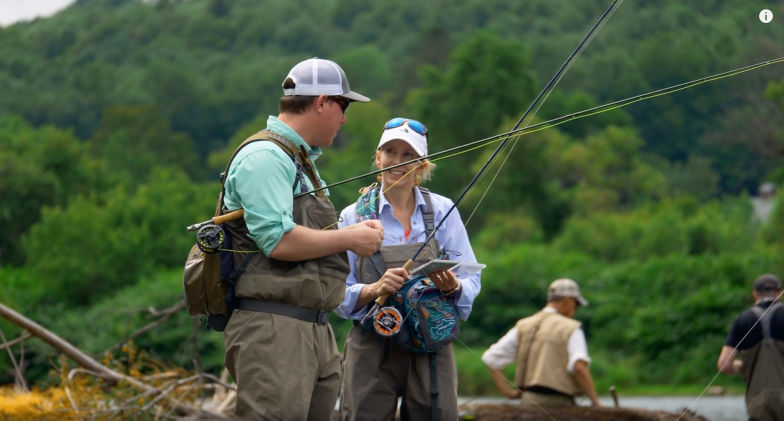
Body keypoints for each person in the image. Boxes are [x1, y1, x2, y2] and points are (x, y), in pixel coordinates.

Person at [221, 57, 385, 420]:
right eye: (343, 106)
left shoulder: (299, 162)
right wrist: (349, 239)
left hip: (313, 328)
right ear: (321, 101)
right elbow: (278, 242)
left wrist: (354, 233)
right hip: (273, 330)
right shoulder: (264, 157)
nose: (344, 118)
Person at [335, 117, 482, 420]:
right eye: (390, 152)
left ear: (422, 165)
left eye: (408, 155)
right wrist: (375, 289)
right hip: (371, 341)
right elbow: (336, 291)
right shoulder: (352, 216)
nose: (397, 162)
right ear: (378, 158)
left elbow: (471, 277)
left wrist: (453, 287)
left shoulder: (443, 210)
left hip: (433, 342)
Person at [482, 278, 600, 407]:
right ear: (567, 300)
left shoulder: (524, 325)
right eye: (576, 304)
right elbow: (579, 367)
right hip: (559, 403)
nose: (575, 310)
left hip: (528, 402)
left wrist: (509, 393)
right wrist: (595, 401)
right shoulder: (571, 327)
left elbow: (491, 358)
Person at [717, 273, 784, 421]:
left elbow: (724, 365)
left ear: (755, 295)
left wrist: (743, 366)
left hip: (759, 402)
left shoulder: (742, 320)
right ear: (779, 293)